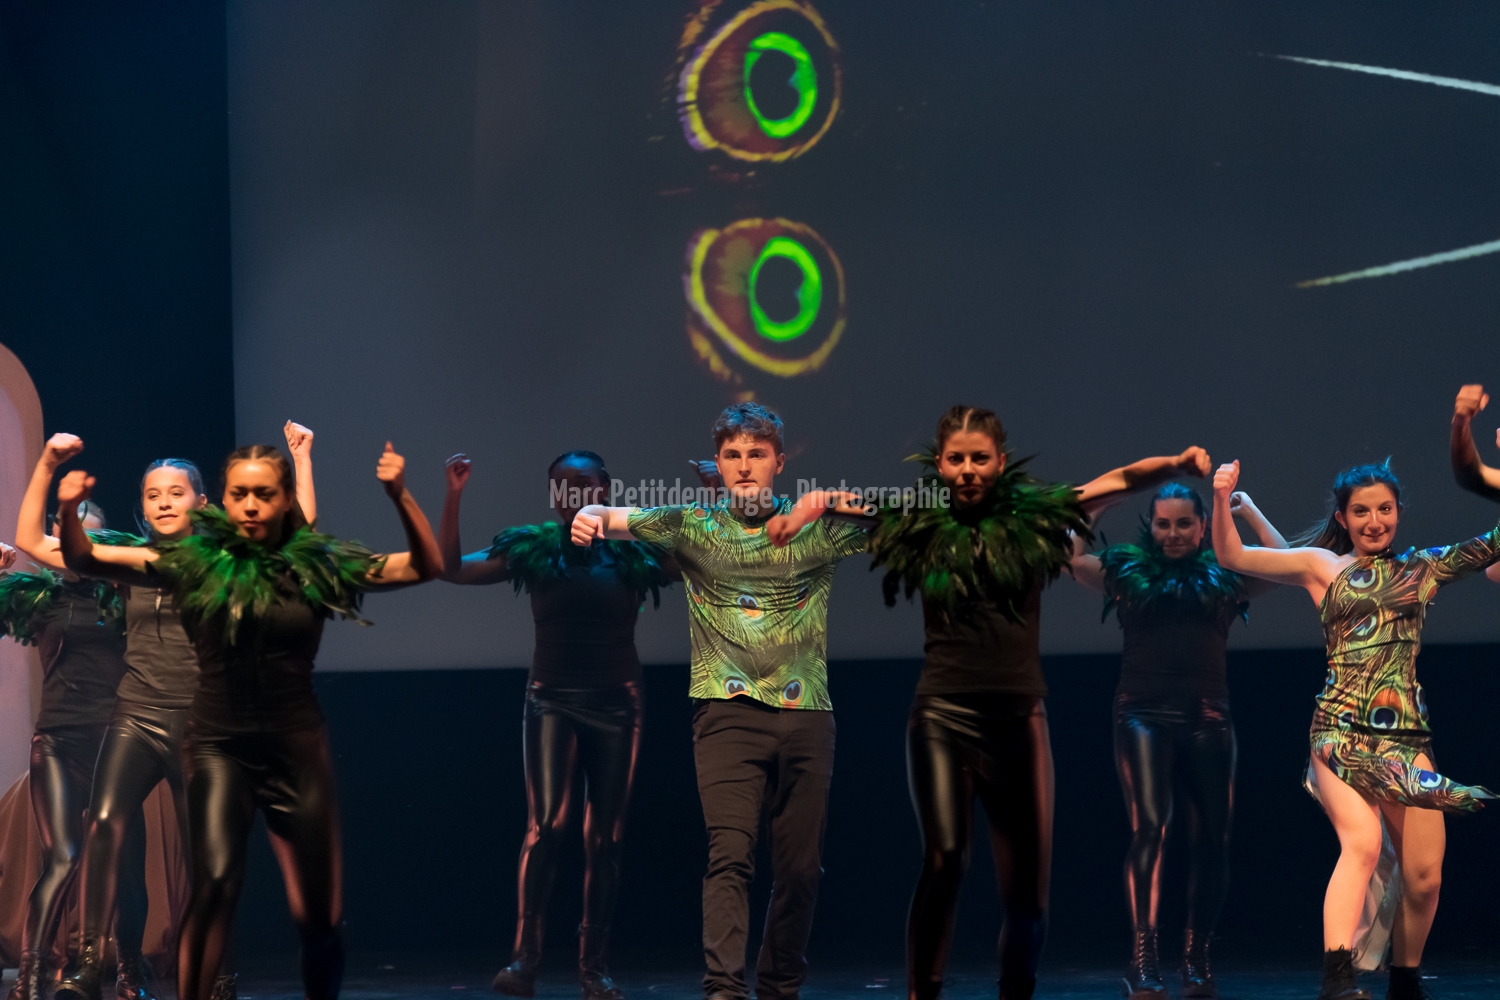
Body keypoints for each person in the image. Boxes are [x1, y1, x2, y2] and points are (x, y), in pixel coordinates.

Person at [751, 404, 1209, 1000]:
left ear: (1000, 460)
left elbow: (1118, 481)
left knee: (1027, 897)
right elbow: (832, 499)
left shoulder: (1038, 515)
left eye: (979, 458)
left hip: (1018, 721)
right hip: (942, 717)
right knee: (945, 859)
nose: (968, 469)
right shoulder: (918, 519)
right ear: (940, 464)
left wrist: (1177, 463)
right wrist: (800, 512)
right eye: (956, 459)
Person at [56, 439, 439, 1000]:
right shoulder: (192, 564)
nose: (252, 505)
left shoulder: (313, 567)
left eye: (265, 494)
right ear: (224, 502)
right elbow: (86, 559)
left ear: (285, 500)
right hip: (217, 744)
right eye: (241, 494)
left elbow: (426, 566)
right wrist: (69, 510)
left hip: (295, 748)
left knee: (318, 919)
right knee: (213, 886)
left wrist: (401, 496)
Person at [571, 402, 866, 1000]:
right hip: (726, 714)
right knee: (729, 856)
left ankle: (779, 984)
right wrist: (588, 514)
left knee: (801, 870)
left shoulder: (820, 527)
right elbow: (611, 514)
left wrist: (824, 500)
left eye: (757, 454)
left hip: (807, 715)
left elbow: (908, 515)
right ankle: (724, 990)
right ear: (719, 463)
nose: (744, 465)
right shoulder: (693, 525)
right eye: (733, 455)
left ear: (779, 461)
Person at [37, 424, 314, 1000]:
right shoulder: (132, 559)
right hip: (135, 713)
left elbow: (299, 534)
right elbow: (38, 544)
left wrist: (301, 458)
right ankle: (89, 966)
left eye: (176, 493)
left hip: (203, 724)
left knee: (207, 859)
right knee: (103, 821)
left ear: (202, 503)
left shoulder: (227, 560)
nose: (164, 502)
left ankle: (220, 974)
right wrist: (47, 470)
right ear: (142, 508)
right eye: (153, 495)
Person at [1211, 455, 1499, 1000]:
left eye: (1384, 509)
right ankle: (1337, 981)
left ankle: (1405, 981)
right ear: (1343, 518)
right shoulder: (1323, 566)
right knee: (1362, 843)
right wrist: (1224, 499)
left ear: (1398, 512)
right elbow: (1233, 556)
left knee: (1424, 875)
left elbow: (1493, 544)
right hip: (1340, 734)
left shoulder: (1422, 569)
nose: (1374, 521)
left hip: (1405, 740)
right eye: (1361, 511)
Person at [439, 450, 673, 1000]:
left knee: (606, 837)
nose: (574, 494)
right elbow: (452, 569)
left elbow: (707, 557)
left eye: (584, 484)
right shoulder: (535, 549)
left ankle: (595, 969)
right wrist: (453, 496)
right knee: (545, 826)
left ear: (605, 489)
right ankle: (525, 961)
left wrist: (714, 498)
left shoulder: (633, 550)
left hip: (618, 703)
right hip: (551, 700)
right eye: (563, 486)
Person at [1068, 483, 1286, 999]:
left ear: (1203, 526)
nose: (1172, 534)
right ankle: (1143, 959)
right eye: (1163, 524)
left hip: (1208, 717)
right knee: (1150, 828)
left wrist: (1249, 510)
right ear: (1151, 525)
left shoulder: (1225, 575)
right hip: (1142, 715)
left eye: (1184, 523)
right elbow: (1072, 560)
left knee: (1213, 837)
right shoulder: (1127, 574)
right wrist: (1095, 505)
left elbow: (1281, 562)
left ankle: (1196, 958)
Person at [3, 481, 126, 1000]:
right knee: (63, 856)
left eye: (87, 536)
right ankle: (31, 977)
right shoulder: (38, 598)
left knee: (123, 862)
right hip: (56, 740)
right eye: (65, 535)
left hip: (119, 743)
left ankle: (130, 973)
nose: (74, 545)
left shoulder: (126, 596)